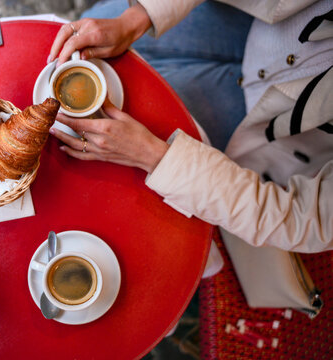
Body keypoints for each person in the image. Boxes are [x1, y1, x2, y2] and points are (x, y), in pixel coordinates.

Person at [47, 0, 333, 253]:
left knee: (115, 164)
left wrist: (154, 156)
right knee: (96, 23)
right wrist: (138, 16)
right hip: (252, 14)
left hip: (268, 129)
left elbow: (304, 222)